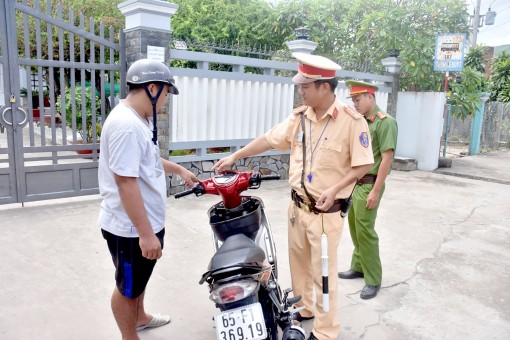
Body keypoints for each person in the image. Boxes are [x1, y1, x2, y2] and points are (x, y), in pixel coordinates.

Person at [212, 53, 374, 340]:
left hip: (326, 214)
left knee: (323, 275)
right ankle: (306, 307)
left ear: (325, 87)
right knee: (298, 266)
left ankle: (325, 331)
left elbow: (363, 164)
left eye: (306, 86)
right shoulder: (300, 117)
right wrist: (236, 155)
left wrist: (335, 188)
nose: (300, 91)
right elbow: (268, 139)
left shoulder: (352, 121)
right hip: (297, 208)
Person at [97, 59, 199, 340]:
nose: (166, 99)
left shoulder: (139, 120)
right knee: (127, 288)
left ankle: (140, 317)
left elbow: (148, 162)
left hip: (143, 223)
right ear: (152, 88)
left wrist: (178, 169)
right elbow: (126, 182)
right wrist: (145, 235)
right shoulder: (126, 125)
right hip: (130, 228)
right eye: (166, 92)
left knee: (138, 279)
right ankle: (130, 336)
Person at [338, 80, 398, 300]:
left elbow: (387, 158)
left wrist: (375, 190)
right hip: (356, 183)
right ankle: (358, 266)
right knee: (355, 226)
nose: (355, 104)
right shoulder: (362, 121)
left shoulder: (385, 122)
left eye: (358, 100)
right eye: (353, 100)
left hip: (370, 183)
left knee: (366, 230)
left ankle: (373, 278)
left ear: (370, 97)